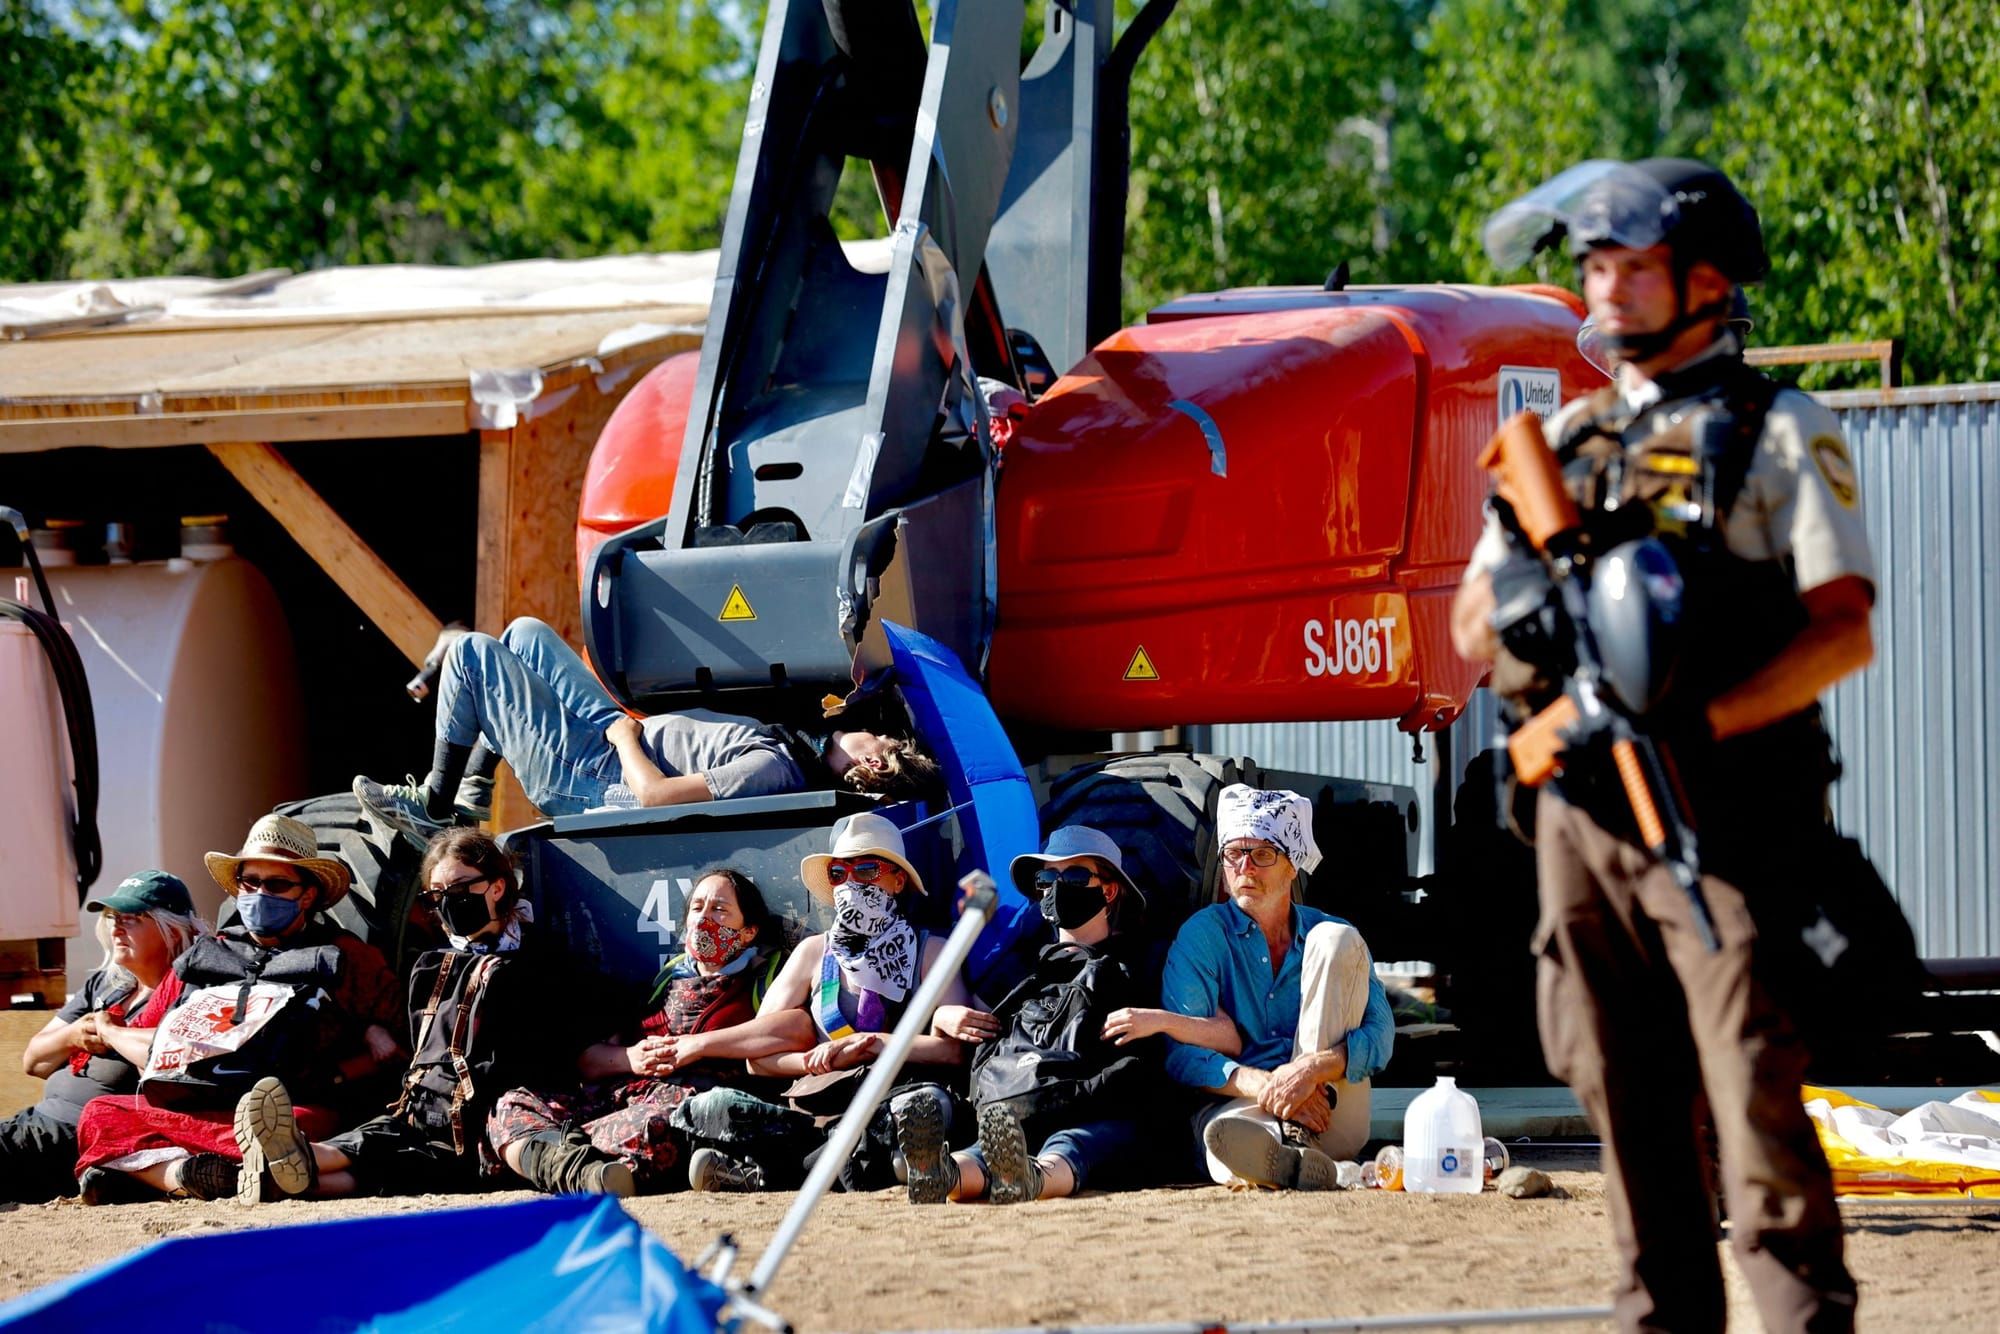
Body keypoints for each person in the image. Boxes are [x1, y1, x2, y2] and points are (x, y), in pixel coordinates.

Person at [1457, 159, 1869, 1329]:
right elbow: (1472, 626)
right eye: (1593, 265)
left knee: (1750, 1107)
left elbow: (1841, 631)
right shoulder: (1562, 441)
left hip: (1725, 819)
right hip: (1578, 821)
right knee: (1622, 1104)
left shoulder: (1778, 430)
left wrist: (1699, 718)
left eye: (1631, 266)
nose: (1606, 289)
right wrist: (1534, 595)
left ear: (1703, 279)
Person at [232, 829, 625, 1202]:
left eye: (459, 889)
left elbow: (562, 1048)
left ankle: (288, 1168)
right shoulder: (431, 966)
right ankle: (294, 1161)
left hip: (488, 1118)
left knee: (407, 1161)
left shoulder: (542, 960)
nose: (449, 902)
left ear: (497, 886)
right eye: (437, 895)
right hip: (426, 1110)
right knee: (383, 1140)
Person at [352, 616, 938, 839]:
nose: (870, 731)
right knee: (526, 633)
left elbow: (655, 797)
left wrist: (628, 740)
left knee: (474, 655)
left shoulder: (776, 768)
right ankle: (475, 791)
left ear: (873, 766)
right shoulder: (794, 749)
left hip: (592, 773)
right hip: (614, 737)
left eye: (879, 740)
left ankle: (434, 801)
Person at [71, 814, 403, 1204]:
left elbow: (399, 1047)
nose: (260, 893)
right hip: (198, 1105)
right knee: (101, 1113)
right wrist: (102, 1030)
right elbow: (148, 1030)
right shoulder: (207, 953)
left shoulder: (348, 958)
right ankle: (194, 1176)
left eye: (277, 884)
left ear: (308, 895)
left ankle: (160, 1175)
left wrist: (342, 1069)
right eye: (251, 882)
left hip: (288, 1107)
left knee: (286, 1131)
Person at [898, 826, 1235, 1205]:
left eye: (1074, 876)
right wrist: (942, 1016)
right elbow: (972, 1026)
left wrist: (1157, 1019)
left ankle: (1023, 1178)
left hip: (1096, 1108)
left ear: (1108, 891)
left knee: (1070, 1142)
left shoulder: (1146, 961)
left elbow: (1221, 1033)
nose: (1058, 887)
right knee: (991, 1148)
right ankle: (942, 1173)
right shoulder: (1019, 968)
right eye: (1047, 878)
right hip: (1023, 1105)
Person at [689, 812, 970, 1193]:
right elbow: (758, 1058)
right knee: (716, 1106)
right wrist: (809, 1061)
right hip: (821, 1102)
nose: (852, 883)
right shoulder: (813, 952)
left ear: (897, 880)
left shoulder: (931, 951)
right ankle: (873, 1161)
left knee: (928, 1104)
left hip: (895, 1094)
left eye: (867, 869)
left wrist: (874, 1045)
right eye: (839, 873)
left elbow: (952, 1052)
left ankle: (772, 1173)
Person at [486, 865, 804, 1195]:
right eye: (697, 908)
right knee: (512, 1104)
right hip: (624, 1096)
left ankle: (568, 1164)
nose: (703, 918)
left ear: (749, 931)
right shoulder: (668, 978)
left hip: (686, 1104)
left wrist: (698, 1046)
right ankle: (583, 1170)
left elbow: (796, 1029)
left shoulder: (765, 974)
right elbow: (590, 1062)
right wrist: (630, 1058)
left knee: (657, 1126)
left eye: (719, 910)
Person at [1160, 784, 1394, 1190]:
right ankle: (1299, 1164)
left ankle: (1299, 1153)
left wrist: (1310, 1070)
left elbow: (1381, 1034)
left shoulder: (1330, 934)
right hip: (1246, 1104)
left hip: (1329, 1109)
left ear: (1293, 865)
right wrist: (1268, 1086)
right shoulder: (1203, 936)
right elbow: (1183, 1054)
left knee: (1336, 939)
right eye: (1234, 853)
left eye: (1263, 854)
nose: (1245, 868)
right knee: (1224, 1147)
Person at [1, 873, 209, 1203]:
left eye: (133, 918)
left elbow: (171, 1056)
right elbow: (34, 1061)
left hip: (78, 1138)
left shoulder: (193, 990)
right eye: (112, 917)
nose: (116, 928)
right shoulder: (106, 985)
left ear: (172, 928)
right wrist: (73, 1034)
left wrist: (112, 1033)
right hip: (37, 1124)